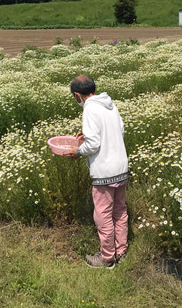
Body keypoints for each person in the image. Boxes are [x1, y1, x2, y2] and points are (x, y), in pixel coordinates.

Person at [65, 75, 129, 269]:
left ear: (77, 95)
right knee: (120, 210)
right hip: (121, 166)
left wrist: (77, 151)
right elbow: (119, 130)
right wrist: (87, 136)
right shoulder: (109, 105)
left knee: (103, 214)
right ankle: (122, 251)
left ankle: (107, 257)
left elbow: (93, 145)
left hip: (104, 171)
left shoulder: (90, 109)